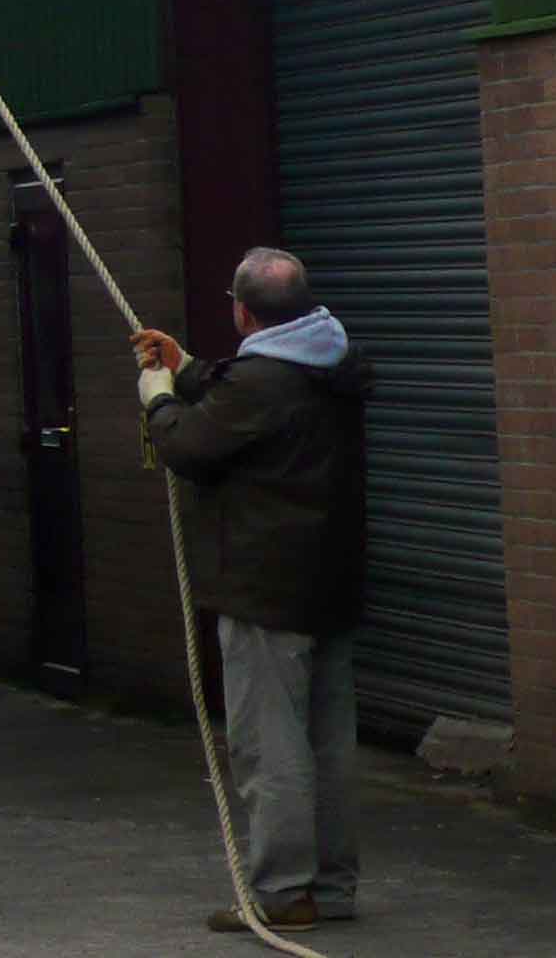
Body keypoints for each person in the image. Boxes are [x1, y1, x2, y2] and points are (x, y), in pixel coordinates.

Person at [135, 245, 374, 936]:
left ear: (242, 312)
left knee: (270, 750)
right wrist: (185, 369)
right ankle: (331, 888)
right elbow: (246, 394)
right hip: (328, 582)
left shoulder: (264, 382)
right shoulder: (329, 358)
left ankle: (282, 893)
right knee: (328, 743)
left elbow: (192, 448)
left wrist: (158, 399)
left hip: (264, 587)